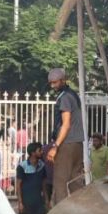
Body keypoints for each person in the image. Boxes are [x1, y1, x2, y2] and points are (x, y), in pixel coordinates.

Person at [45, 68, 86, 205]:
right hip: (78, 143)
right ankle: (82, 211)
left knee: (60, 182)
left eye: (55, 83)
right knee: (76, 181)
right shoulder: (73, 95)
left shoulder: (65, 97)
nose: (53, 86)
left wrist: (55, 146)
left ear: (63, 80)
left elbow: (66, 124)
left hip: (66, 144)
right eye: (51, 83)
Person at [16, 142, 48, 214]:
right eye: (40, 150)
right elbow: (19, 185)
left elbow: (44, 184)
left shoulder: (42, 165)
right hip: (26, 203)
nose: (42, 152)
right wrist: (20, 203)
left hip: (38, 203)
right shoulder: (22, 166)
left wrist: (46, 200)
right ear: (33, 153)